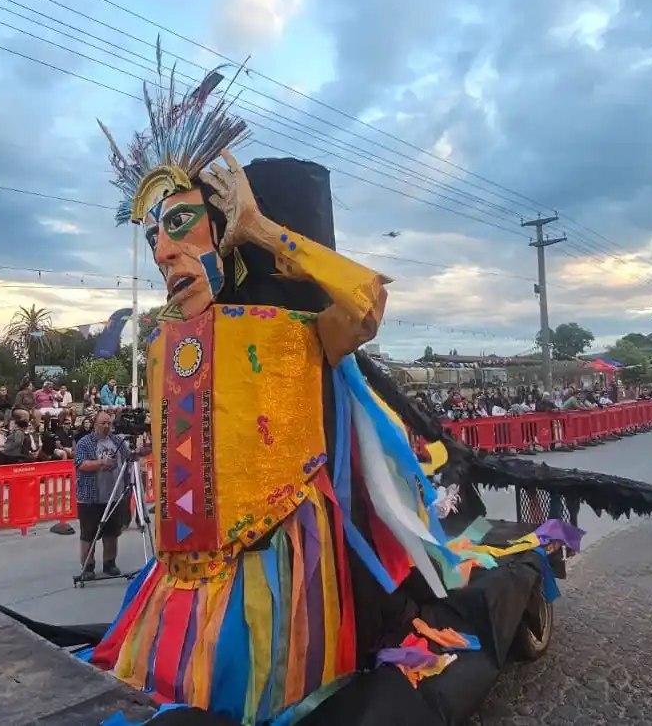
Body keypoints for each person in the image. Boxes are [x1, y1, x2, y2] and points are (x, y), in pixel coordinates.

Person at [89, 62, 495, 721]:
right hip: (179, 573)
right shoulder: (166, 340)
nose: (162, 250)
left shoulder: (296, 331)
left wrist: (259, 226)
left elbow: (367, 299)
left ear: (220, 228)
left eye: (181, 223)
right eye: (152, 234)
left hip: (278, 569)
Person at [73, 411, 131, 581]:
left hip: (114, 496)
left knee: (112, 533)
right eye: (103, 423)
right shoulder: (85, 442)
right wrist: (100, 463)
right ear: (95, 424)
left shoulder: (117, 441)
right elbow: (80, 464)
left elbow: (129, 460)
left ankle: (109, 563)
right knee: (88, 534)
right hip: (90, 498)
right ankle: (88, 566)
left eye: (109, 423)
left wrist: (141, 452)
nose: (106, 427)